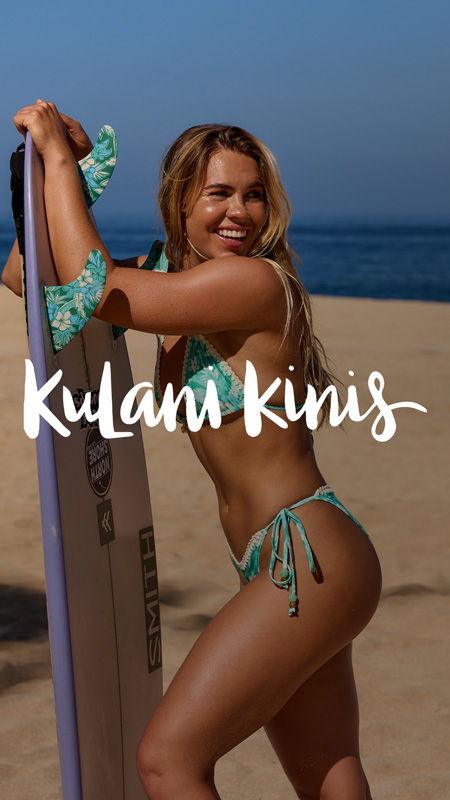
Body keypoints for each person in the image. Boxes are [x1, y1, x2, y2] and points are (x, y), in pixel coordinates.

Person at [5, 101, 382, 800]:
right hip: (283, 560)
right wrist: (49, 180)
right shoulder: (177, 277)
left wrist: (59, 158)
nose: (239, 211)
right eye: (218, 193)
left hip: (306, 550)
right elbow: (31, 283)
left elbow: (101, 293)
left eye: (253, 193)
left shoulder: (252, 283)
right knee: (328, 777)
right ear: (180, 200)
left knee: (166, 760)